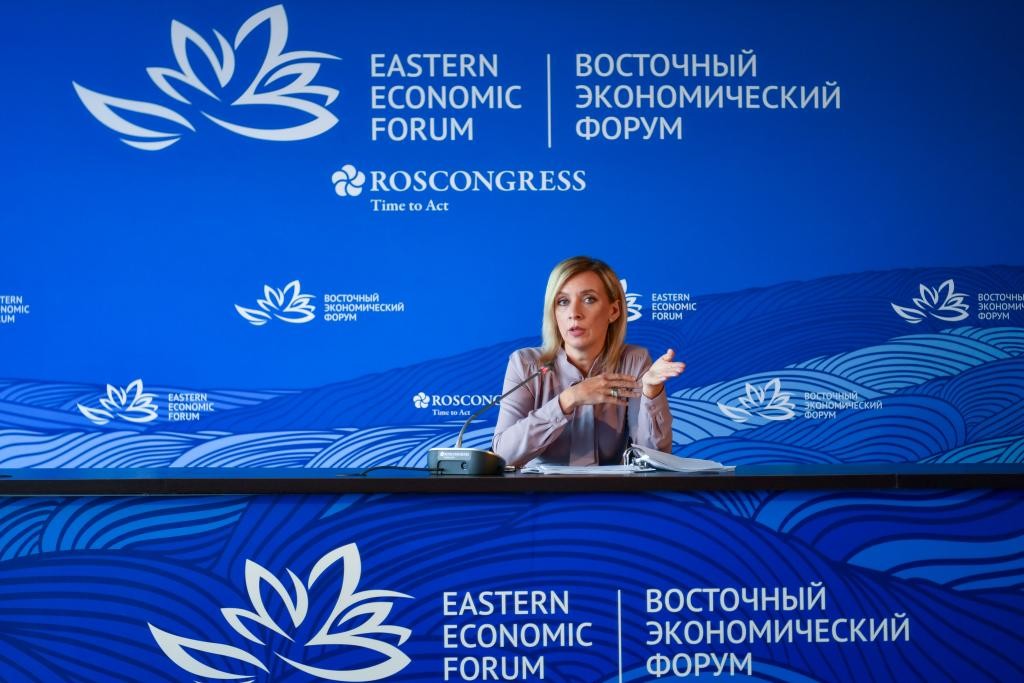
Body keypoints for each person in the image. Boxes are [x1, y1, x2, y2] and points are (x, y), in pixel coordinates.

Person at [492, 256, 685, 468]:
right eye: (563, 302)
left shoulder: (634, 362)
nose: (574, 314)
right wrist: (568, 399)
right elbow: (503, 456)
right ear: (553, 312)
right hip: (540, 488)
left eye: (589, 299)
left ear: (613, 311)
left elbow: (654, 459)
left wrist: (652, 392)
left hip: (609, 489)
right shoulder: (525, 364)